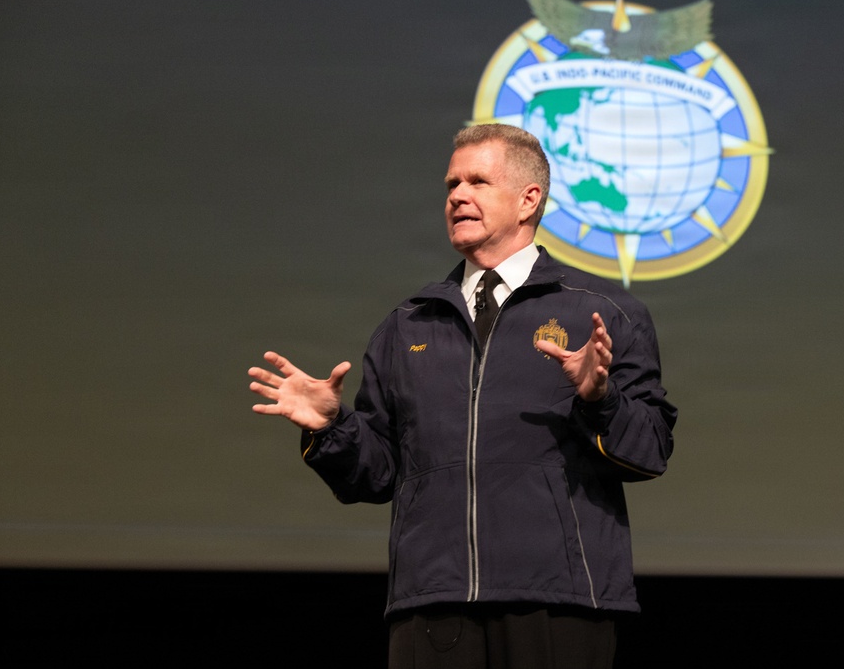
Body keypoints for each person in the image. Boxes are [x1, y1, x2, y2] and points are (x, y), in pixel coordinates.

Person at [248, 124, 677, 668]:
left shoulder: (602, 312)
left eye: (478, 181)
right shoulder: (407, 324)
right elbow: (376, 476)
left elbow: (651, 450)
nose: (457, 196)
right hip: (433, 601)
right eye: (452, 184)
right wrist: (331, 428)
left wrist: (600, 400)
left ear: (528, 200)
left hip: (559, 601)